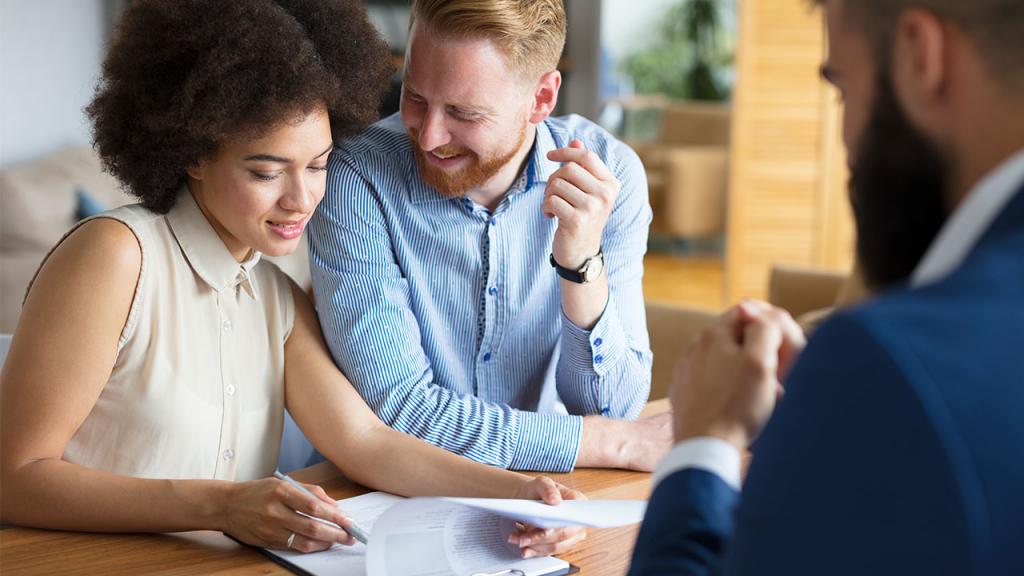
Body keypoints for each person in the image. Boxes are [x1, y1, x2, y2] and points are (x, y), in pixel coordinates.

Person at [0, 0, 585, 559]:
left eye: (318, 165)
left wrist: (522, 492)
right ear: (194, 155)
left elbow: (368, 444)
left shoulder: (274, 295)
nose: (301, 200)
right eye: (265, 170)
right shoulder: (116, 256)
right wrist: (221, 506)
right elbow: (15, 477)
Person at [629, 0, 1024, 573]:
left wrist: (703, 444)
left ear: (919, 56)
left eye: (841, 88)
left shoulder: (890, 363)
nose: (847, 147)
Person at [307, 0, 672, 474]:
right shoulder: (358, 176)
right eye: (414, 96)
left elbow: (611, 409)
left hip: (546, 499)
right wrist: (607, 445)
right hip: (381, 498)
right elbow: (398, 411)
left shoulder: (609, 175)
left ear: (541, 99)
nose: (430, 135)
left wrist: (581, 264)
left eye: (463, 112)